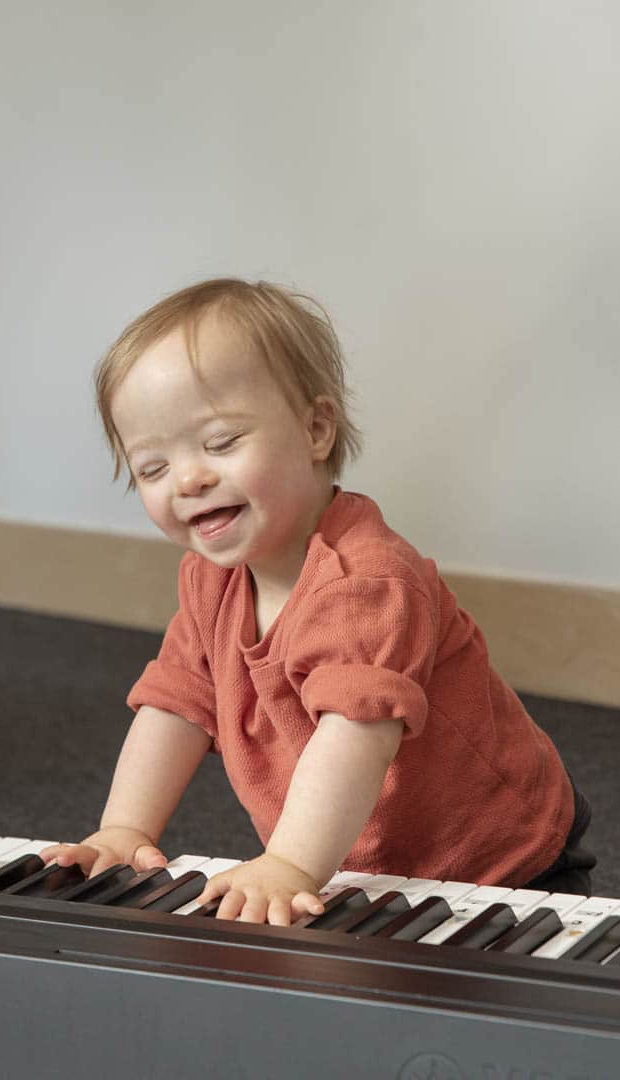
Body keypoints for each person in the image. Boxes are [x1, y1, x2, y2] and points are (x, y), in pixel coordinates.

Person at [41, 278, 595, 925]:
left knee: (484, 1007)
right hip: (358, 856)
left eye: (219, 444)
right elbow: (175, 704)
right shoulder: (210, 577)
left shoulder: (366, 582)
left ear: (315, 428)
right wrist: (123, 828)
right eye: (151, 469)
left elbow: (354, 736)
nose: (188, 479)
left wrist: (291, 864)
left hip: (493, 859)